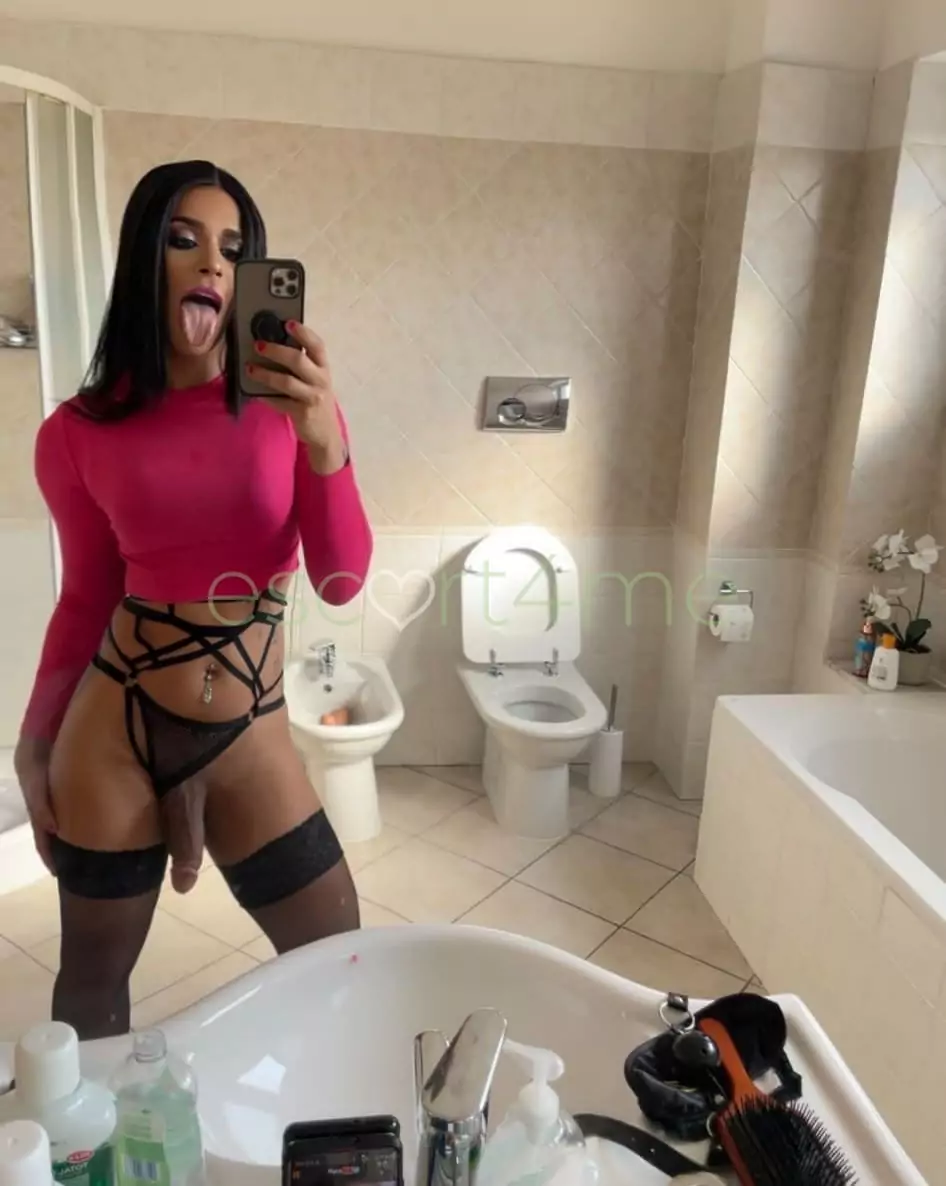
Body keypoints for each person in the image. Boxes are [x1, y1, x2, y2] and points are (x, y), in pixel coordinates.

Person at [13, 159, 373, 1040]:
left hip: (250, 731)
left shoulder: (295, 409)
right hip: (114, 731)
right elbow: (87, 594)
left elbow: (342, 579)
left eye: (234, 249)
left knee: (338, 958)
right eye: (184, 240)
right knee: (93, 980)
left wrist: (325, 445)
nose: (212, 262)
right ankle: (89, 1129)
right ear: (147, 258)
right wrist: (35, 738)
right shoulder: (75, 433)